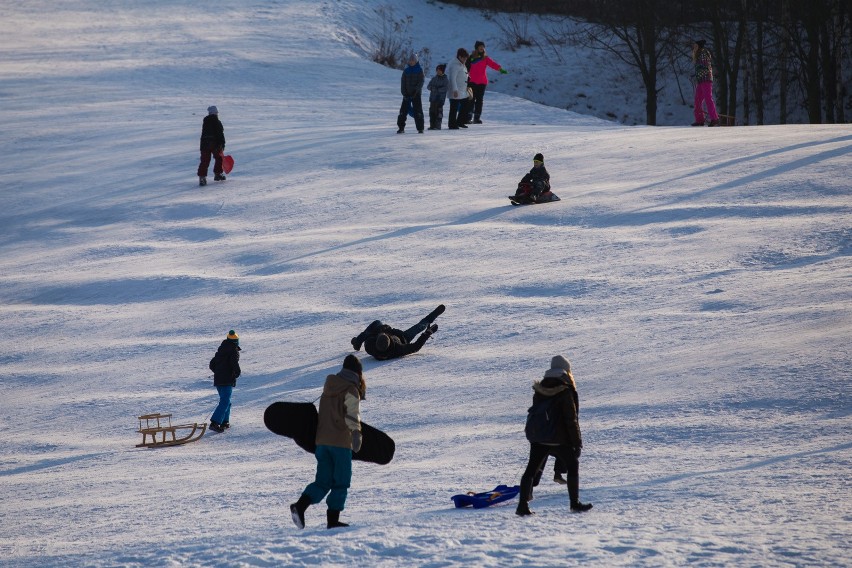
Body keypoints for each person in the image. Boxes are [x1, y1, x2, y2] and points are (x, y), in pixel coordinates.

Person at [290, 354, 366, 530]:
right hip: (340, 442)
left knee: (323, 480)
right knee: (341, 481)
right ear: (358, 372)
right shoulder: (351, 389)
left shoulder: (329, 386)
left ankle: (300, 506)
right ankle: (333, 520)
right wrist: (356, 434)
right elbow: (352, 414)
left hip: (322, 442)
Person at [516, 355, 592, 516]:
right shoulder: (566, 390)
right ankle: (574, 503)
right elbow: (571, 420)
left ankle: (522, 506)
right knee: (573, 466)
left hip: (539, 438)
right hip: (560, 439)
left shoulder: (540, 388)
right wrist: (577, 443)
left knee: (530, 469)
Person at [351, 305, 444, 360]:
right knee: (419, 327)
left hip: (388, 336)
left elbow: (368, 334)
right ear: (390, 339)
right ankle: (431, 317)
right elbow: (416, 346)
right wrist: (428, 333)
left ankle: (357, 343)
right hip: (403, 337)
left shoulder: (370, 346)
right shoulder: (399, 349)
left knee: (376, 323)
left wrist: (380, 329)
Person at [464, 41, 507, 125]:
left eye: (483, 47)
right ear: (476, 48)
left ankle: (477, 118)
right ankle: (468, 117)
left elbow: (493, 64)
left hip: (482, 82)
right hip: (471, 82)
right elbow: (465, 67)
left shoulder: (485, 58)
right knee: (470, 99)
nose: (482, 48)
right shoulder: (471, 57)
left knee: (479, 100)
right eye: (480, 46)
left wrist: (500, 69)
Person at [208, 330, 241, 432]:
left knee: (226, 401)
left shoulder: (221, 350)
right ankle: (215, 422)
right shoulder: (233, 350)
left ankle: (224, 422)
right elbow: (234, 363)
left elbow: (212, 364)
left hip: (218, 380)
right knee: (225, 401)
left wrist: (218, 373)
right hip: (227, 380)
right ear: (236, 341)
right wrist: (237, 372)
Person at [691, 39, 720, 127]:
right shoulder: (699, 54)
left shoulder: (703, 53)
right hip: (701, 80)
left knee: (708, 98)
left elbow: (704, 65)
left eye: (695, 46)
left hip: (706, 79)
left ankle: (714, 118)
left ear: (699, 46)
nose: (694, 47)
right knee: (698, 99)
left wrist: (698, 72)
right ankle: (700, 120)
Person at [197, 105, 226, 186]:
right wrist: (222, 144)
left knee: (205, 161)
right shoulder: (217, 121)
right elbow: (220, 134)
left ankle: (202, 178)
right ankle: (218, 174)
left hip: (204, 144)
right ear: (216, 113)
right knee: (219, 158)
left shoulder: (205, 122)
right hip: (214, 143)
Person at [397, 53, 425, 134]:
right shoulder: (406, 70)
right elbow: (403, 82)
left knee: (418, 111)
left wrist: (415, 92)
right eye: (410, 60)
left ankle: (420, 128)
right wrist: (404, 93)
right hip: (407, 94)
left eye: (413, 60)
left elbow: (421, 82)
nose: (411, 61)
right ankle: (401, 128)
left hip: (416, 95)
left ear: (416, 61)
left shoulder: (420, 70)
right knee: (403, 111)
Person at [446, 48, 470, 130]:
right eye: (463, 58)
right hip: (456, 90)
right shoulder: (455, 65)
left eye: (466, 58)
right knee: (454, 108)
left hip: (462, 90)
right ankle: (452, 124)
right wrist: (455, 90)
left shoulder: (462, 65)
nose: (465, 60)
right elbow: (452, 79)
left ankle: (460, 121)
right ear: (459, 57)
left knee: (465, 105)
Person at [426, 64, 449, 130]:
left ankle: (438, 125)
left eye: (439, 70)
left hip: (440, 99)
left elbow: (445, 88)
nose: (438, 71)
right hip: (433, 98)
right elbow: (428, 86)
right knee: (432, 112)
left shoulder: (445, 79)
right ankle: (432, 125)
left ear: (443, 71)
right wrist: (432, 88)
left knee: (438, 112)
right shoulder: (434, 78)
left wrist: (437, 89)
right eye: (437, 70)